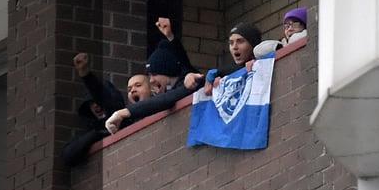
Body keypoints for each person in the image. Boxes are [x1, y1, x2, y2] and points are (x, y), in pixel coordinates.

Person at [104, 22, 261, 134]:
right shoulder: (217, 74)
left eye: (240, 41)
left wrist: (261, 60)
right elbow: (169, 97)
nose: (234, 47)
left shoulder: (265, 61)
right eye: (231, 43)